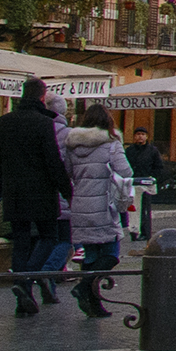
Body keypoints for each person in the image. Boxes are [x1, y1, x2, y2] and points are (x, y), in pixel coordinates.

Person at [0, 80, 70, 314]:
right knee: (49, 236)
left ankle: (21, 293)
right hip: (42, 191)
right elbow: (53, 161)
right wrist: (66, 190)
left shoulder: (3, 123)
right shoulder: (44, 123)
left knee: (21, 241)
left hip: (13, 191)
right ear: (42, 97)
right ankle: (25, 280)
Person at [60, 125, 134, 318]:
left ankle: (94, 305)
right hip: (104, 203)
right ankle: (84, 287)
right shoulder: (111, 144)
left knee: (91, 255)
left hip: (81, 203)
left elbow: (67, 171)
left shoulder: (73, 146)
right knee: (111, 253)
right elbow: (126, 171)